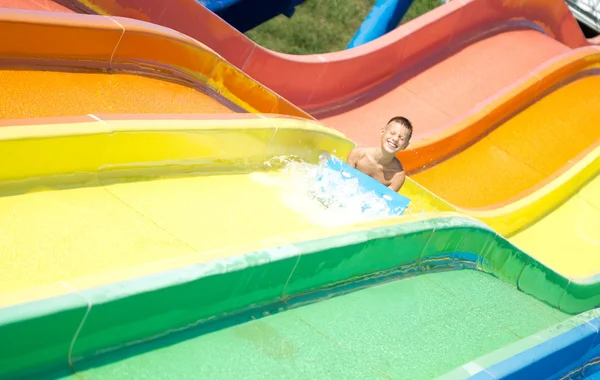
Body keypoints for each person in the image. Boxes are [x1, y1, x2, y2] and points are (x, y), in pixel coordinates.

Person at [346, 116, 413, 192]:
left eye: (401, 138)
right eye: (392, 133)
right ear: (382, 132)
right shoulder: (358, 154)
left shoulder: (397, 176)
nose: (395, 139)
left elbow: (383, 202)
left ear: (405, 146)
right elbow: (342, 181)